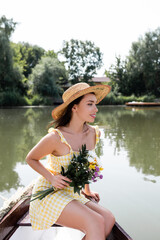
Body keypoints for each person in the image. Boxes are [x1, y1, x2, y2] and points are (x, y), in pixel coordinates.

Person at [26, 82, 115, 240]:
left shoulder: (93, 134)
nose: (96, 109)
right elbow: (31, 158)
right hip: (49, 194)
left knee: (108, 219)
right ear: (74, 107)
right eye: (90, 104)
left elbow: (86, 164)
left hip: (71, 193)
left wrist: (87, 191)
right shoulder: (55, 138)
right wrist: (51, 178)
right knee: (95, 222)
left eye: (95, 104)